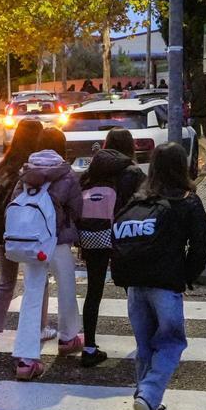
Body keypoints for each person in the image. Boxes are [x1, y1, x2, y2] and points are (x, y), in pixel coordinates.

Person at [112, 142, 206, 410]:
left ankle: (147, 404)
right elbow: (201, 247)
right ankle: (148, 397)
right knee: (171, 343)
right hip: (165, 286)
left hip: (134, 285)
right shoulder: (187, 201)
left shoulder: (139, 200)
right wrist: (186, 276)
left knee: (144, 345)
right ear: (183, 166)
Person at [0, 120, 51, 361]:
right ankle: (39, 327)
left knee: (6, 282)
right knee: (38, 280)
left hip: (1, 231)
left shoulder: (3, 166)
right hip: (27, 233)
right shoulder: (32, 169)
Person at [11, 127, 83, 381]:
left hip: (32, 241)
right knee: (66, 287)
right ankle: (68, 338)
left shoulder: (26, 172)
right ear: (62, 147)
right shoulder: (66, 173)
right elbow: (77, 209)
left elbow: (15, 200)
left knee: (32, 294)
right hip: (58, 240)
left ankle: (26, 359)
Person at [78, 129, 145, 368]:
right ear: (129, 146)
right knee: (133, 289)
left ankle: (89, 347)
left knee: (94, 290)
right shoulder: (133, 172)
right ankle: (145, 342)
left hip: (93, 234)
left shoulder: (90, 173)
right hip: (123, 235)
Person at [188, 73, 206, 139]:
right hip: (204, 104)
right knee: (204, 120)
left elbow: (194, 95)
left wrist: (191, 101)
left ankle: (198, 134)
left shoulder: (194, 83)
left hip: (197, 105)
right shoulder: (205, 83)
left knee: (197, 120)